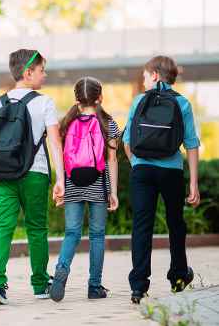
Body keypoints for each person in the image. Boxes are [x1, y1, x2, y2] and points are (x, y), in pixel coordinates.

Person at [0, 49, 65, 305]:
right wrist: (61, 178)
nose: (45, 75)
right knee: (37, 228)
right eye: (42, 70)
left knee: (2, 227)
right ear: (28, 72)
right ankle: (40, 283)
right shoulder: (45, 102)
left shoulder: (1, 101)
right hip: (35, 173)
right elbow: (54, 142)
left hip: (2, 173)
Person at [122, 56, 200, 304]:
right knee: (175, 223)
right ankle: (178, 276)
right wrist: (193, 183)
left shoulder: (139, 101)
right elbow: (191, 144)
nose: (144, 81)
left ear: (155, 75)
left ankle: (138, 285)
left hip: (142, 170)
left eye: (145, 76)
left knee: (141, 226)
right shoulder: (182, 103)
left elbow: (127, 141)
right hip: (171, 171)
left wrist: (136, 163)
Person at [49, 77, 120, 302]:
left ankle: (61, 272)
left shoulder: (66, 123)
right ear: (100, 97)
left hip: (72, 184)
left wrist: (61, 184)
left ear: (76, 98)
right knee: (97, 235)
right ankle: (94, 286)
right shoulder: (109, 123)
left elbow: (59, 156)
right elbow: (112, 160)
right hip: (97, 186)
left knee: (72, 233)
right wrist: (113, 192)